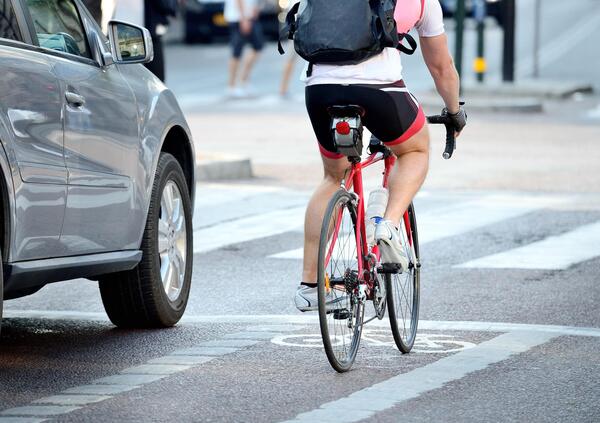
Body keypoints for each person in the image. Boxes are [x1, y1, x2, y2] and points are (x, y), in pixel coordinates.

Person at [294, 0, 467, 311]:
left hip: (320, 90)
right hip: (379, 90)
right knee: (414, 149)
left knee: (334, 177)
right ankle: (387, 225)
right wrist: (454, 112)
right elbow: (442, 68)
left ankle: (308, 285)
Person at [224, 0, 264, 97]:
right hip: (239, 18)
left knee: (258, 47)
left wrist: (254, 9)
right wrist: (243, 18)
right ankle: (231, 86)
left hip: (248, 17)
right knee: (236, 52)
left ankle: (243, 80)